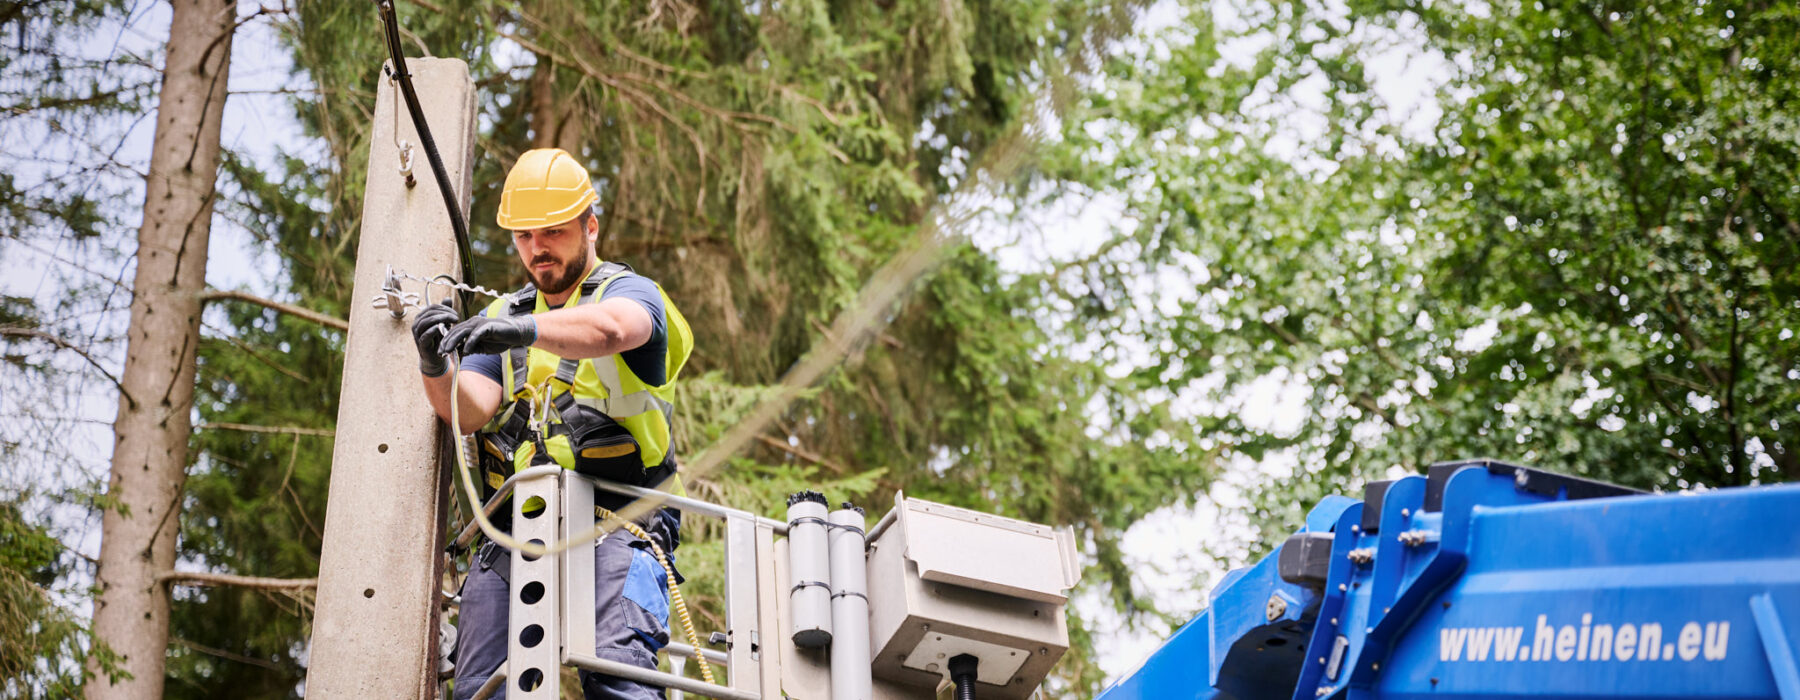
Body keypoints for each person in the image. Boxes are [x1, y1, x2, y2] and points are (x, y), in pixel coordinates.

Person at [410, 148, 693, 700]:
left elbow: (615, 330)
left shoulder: (629, 293)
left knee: (617, 672)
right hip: (518, 527)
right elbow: (470, 409)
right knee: (482, 688)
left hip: (619, 518)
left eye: (554, 232)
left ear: (591, 227)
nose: (537, 248)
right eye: (524, 236)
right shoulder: (502, 317)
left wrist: (529, 331)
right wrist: (434, 366)